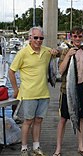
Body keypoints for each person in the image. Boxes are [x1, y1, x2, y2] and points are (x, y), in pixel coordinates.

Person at [8, 26, 59, 156]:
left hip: (44, 93)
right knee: (28, 121)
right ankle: (24, 148)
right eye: (35, 37)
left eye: (41, 38)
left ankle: (36, 146)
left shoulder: (46, 52)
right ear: (30, 38)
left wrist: (56, 52)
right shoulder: (22, 53)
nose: (38, 40)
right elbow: (11, 72)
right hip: (29, 94)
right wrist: (15, 89)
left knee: (38, 121)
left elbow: (58, 53)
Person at [53, 27, 83, 156]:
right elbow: (60, 71)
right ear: (71, 37)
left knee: (80, 118)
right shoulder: (66, 52)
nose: (77, 39)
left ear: (82, 37)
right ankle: (58, 149)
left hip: (81, 88)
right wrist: (69, 55)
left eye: (80, 36)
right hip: (68, 89)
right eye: (75, 36)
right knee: (63, 118)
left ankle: (80, 146)